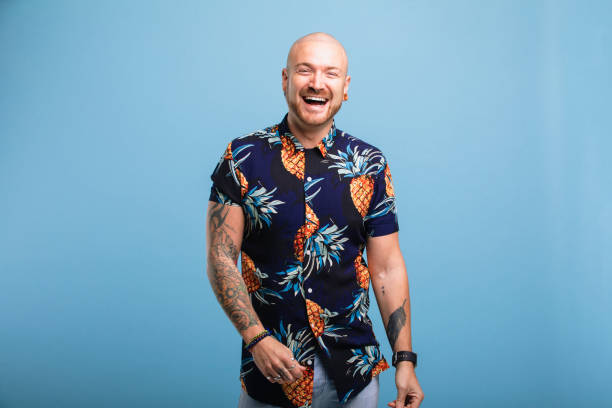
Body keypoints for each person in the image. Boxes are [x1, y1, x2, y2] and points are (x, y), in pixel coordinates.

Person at [206, 32, 424, 408]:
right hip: (271, 373)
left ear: (346, 86)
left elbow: (386, 267)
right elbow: (221, 257)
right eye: (305, 71)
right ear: (286, 80)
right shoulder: (241, 157)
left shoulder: (370, 165)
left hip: (355, 375)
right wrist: (256, 338)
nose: (317, 83)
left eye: (331, 73)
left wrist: (404, 360)